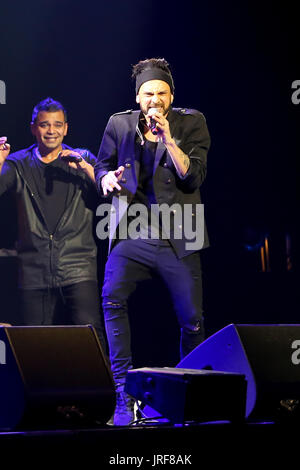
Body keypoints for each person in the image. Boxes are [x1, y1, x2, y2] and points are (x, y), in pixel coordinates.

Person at [95, 58, 211, 425]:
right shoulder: (119, 123)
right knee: (112, 297)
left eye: (161, 94)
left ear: (171, 96)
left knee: (192, 320)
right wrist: (106, 181)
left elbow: (192, 178)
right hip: (134, 232)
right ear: (138, 96)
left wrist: (168, 140)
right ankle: (122, 396)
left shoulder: (192, 122)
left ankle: (186, 400)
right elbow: (101, 165)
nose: (155, 100)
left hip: (180, 233)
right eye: (148, 94)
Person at [0, 97, 106, 352]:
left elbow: (108, 192)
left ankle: (103, 391)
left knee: (89, 335)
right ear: (34, 128)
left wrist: (84, 167)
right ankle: (39, 393)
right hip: (34, 268)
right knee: (34, 344)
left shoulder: (82, 159)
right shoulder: (17, 164)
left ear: (66, 128)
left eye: (57, 125)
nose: (51, 131)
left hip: (77, 264)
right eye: (44, 125)